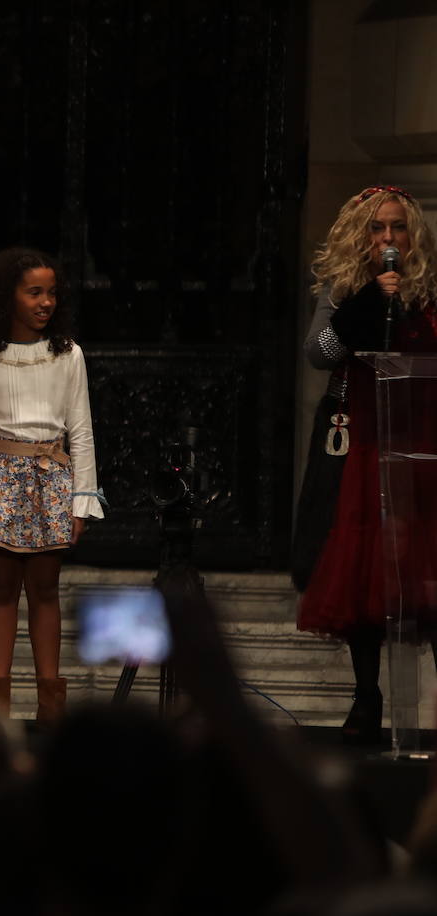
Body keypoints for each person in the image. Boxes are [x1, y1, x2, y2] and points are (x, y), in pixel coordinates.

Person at [293, 185, 437, 744]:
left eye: (397, 228)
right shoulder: (345, 290)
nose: (387, 239)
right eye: (377, 229)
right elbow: (318, 353)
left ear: (412, 236)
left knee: (423, 561)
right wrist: (365, 306)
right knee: (363, 566)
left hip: (416, 440)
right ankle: (366, 697)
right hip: (358, 439)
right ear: (361, 236)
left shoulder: (426, 291)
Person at [0, 247, 103, 722]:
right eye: (34, 292)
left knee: (45, 588)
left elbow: (80, 428)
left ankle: (50, 702)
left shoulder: (68, 354)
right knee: (0, 588)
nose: (45, 302)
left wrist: (81, 498)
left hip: (50, 477)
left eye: (52, 293)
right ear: (7, 297)